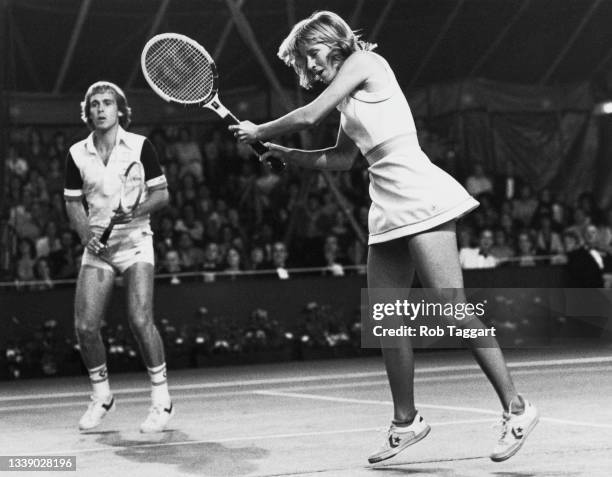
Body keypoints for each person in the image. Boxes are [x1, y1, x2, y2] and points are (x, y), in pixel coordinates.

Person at [229, 11, 537, 464]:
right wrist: (283, 153)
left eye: (312, 55)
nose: (311, 69)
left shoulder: (366, 64)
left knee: (451, 308)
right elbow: (339, 159)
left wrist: (260, 130)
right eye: (303, 64)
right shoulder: (348, 98)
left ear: (334, 41)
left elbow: (308, 114)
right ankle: (406, 421)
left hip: (419, 195)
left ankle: (517, 408)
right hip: (386, 208)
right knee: (387, 319)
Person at [64, 81, 174, 433]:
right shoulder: (77, 153)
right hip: (99, 247)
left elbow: (162, 195)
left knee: (140, 320)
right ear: (88, 111)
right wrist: (86, 236)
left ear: (120, 110)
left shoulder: (141, 146)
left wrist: (135, 211)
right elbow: (71, 201)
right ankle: (102, 396)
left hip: (137, 242)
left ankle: (161, 401)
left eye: (107, 103)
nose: (100, 109)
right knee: (85, 327)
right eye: (94, 103)